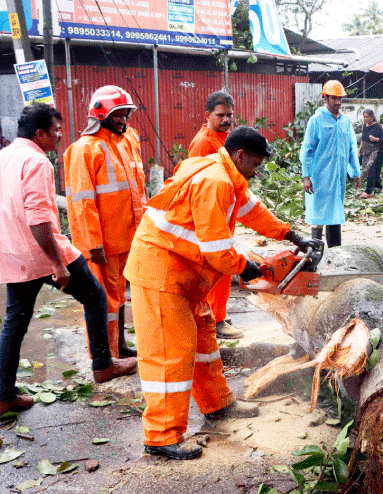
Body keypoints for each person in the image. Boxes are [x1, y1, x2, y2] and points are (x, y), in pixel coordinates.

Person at [125, 126, 321, 460]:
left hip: (186, 274)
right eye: (256, 164)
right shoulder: (214, 182)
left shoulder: (227, 177)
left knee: (203, 342)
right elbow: (216, 248)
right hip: (161, 274)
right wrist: (244, 266)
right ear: (241, 155)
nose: (257, 171)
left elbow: (252, 211)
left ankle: (217, 404)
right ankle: (161, 436)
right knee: (170, 354)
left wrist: (290, 234)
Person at [0, 104, 137, 418]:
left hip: (12, 256)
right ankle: (103, 365)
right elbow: (39, 221)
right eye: (55, 130)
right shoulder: (37, 161)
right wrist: (58, 264)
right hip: (44, 251)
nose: (59, 134)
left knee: (14, 324)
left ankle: (3, 396)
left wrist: (7, 242)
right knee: (95, 296)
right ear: (40, 134)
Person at [64, 85, 146, 359]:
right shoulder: (84, 150)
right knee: (104, 301)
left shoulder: (128, 140)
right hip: (104, 243)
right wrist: (92, 244)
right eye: (118, 114)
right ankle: (104, 356)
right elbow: (82, 203)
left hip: (130, 237)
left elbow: (138, 190)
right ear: (101, 114)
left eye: (125, 114)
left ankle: (119, 347)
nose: (123, 120)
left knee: (120, 298)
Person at [187, 91, 241, 340]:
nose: (227, 119)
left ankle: (220, 315)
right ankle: (215, 320)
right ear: (207, 115)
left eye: (230, 115)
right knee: (215, 270)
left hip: (223, 212)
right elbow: (196, 182)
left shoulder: (224, 138)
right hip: (211, 217)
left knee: (223, 272)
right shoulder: (203, 143)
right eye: (221, 115)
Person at [300, 80, 360, 248]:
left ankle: (335, 253)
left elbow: (351, 148)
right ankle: (316, 252)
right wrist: (306, 177)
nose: (338, 102)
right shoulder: (316, 120)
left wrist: (355, 171)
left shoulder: (345, 121)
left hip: (338, 177)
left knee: (335, 214)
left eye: (340, 98)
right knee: (318, 215)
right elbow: (307, 150)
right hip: (319, 176)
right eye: (334, 98)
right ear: (325, 98)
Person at [358, 109, 383, 199]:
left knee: (371, 168)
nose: (366, 119)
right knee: (372, 169)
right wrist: (360, 149)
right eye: (364, 117)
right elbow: (363, 138)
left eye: (367, 117)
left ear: (372, 117)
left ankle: (368, 191)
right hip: (366, 150)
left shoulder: (377, 126)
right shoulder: (365, 126)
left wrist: (376, 139)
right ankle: (378, 186)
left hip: (376, 150)